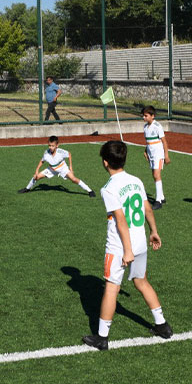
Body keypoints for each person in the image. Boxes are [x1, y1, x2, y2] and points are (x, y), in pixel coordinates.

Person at [82, 140, 172, 350]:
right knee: (141, 281)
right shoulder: (136, 180)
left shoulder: (108, 188)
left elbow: (121, 220)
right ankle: (162, 325)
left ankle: (102, 338)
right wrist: (154, 231)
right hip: (140, 240)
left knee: (112, 288)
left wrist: (127, 250)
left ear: (105, 163)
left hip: (120, 247)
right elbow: (147, 208)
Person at [18, 135, 94, 197]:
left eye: (52, 146)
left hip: (62, 168)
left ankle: (90, 191)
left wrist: (70, 167)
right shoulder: (46, 153)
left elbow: (69, 154)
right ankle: (27, 189)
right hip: (52, 169)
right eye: (49, 145)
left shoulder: (61, 152)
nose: (50, 147)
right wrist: (36, 171)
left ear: (57, 145)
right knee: (36, 177)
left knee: (74, 179)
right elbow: (42, 161)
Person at [141, 105, 170, 209]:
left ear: (152, 116)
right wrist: (146, 151)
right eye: (143, 116)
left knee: (156, 174)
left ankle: (158, 201)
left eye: (146, 116)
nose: (144, 118)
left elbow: (164, 142)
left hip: (158, 154)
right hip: (151, 154)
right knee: (154, 175)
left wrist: (166, 155)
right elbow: (148, 141)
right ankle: (161, 196)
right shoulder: (145, 127)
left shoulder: (157, 126)